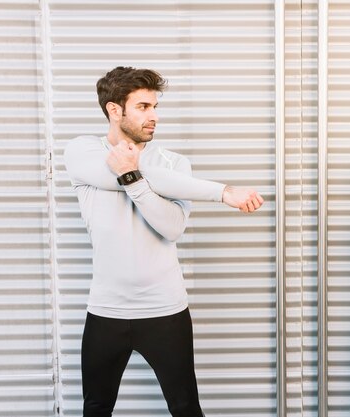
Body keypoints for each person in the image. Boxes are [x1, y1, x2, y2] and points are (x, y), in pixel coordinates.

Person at [64, 66, 264, 417]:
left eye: (155, 106)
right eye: (143, 106)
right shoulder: (82, 152)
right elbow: (145, 178)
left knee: (186, 407)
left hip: (165, 311)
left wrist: (131, 177)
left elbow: (171, 227)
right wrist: (222, 192)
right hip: (106, 312)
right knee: (96, 407)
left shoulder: (174, 163)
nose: (154, 116)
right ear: (115, 109)